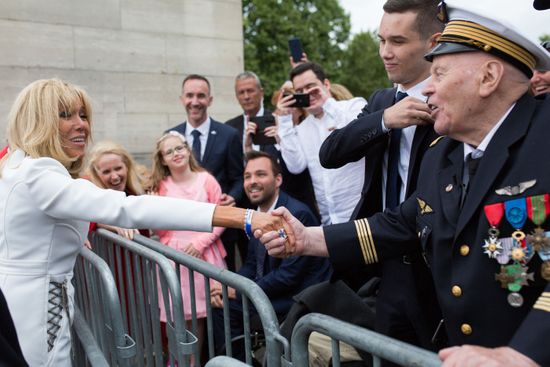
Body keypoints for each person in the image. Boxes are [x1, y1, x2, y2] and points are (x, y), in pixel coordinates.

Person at [260, 2, 550, 366]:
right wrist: (308, 239)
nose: (427, 91)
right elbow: (402, 223)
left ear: (488, 78)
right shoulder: (446, 155)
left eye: (440, 74)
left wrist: (524, 352)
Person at [0, 78, 291, 367]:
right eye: (65, 115)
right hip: (36, 314)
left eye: (83, 115)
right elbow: (127, 207)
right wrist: (246, 216)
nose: (81, 125)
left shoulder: (18, 164)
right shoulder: (39, 172)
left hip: (32, 303)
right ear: (39, 120)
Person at [318, 0, 444, 356]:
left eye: (398, 42)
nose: (385, 53)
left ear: (432, 43)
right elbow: (330, 153)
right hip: (384, 266)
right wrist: (384, 119)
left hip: (435, 270)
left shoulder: (450, 102)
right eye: (381, 40)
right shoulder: (382, 101)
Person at [210, 151, 330, 360]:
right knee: (220, 304)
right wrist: (231, 285)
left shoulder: (296, 214)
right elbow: (251, 263)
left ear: (278, 180)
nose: (252, 182)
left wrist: (239, 292)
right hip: (271, 289)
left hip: (297, 296)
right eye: (247, 176)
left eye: (260, 174)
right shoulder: (256, 213)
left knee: (228, 309)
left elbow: (289, 276)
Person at [149, 130, 227, 365]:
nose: (176, 154)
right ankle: (178, 361)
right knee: (176, 315)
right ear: (162, 159)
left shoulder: (207, 180)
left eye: (179, 148)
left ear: (187, 149)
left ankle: (194, 362)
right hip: (173, 257)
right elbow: (161, 230)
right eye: (169, 151)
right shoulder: (161, 186)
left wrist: (200, 242)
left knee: (197, 317)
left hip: (203, 254)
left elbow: (221, 217)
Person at [167, 74, 244, 271]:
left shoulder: (229, 135)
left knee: (222, 288)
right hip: (183, 232)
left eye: (201, 96)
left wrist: (233, 197)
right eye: (189, 95)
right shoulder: (170, 137)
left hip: (219, 228)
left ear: (210, 100)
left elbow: (238, 177)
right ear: (182, 99)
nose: (195, 102)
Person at [277, 62, 366, 226]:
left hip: (363, 214)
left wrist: (326, 101)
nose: (307, 93)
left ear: (326, 84)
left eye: (311, 86)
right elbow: (295, 166)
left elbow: (359, 134)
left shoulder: (353, 106)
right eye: (300, 91)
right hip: (329, 220)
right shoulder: (302, 128)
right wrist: (283, 120)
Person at [86, 140, 150, 239]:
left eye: (118, 168)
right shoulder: (91, 194)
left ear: (127, 166)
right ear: (96, 175)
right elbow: (81, 217)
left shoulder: (143, 187)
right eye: (106, 172)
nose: (115, 176)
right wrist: (109, 224)